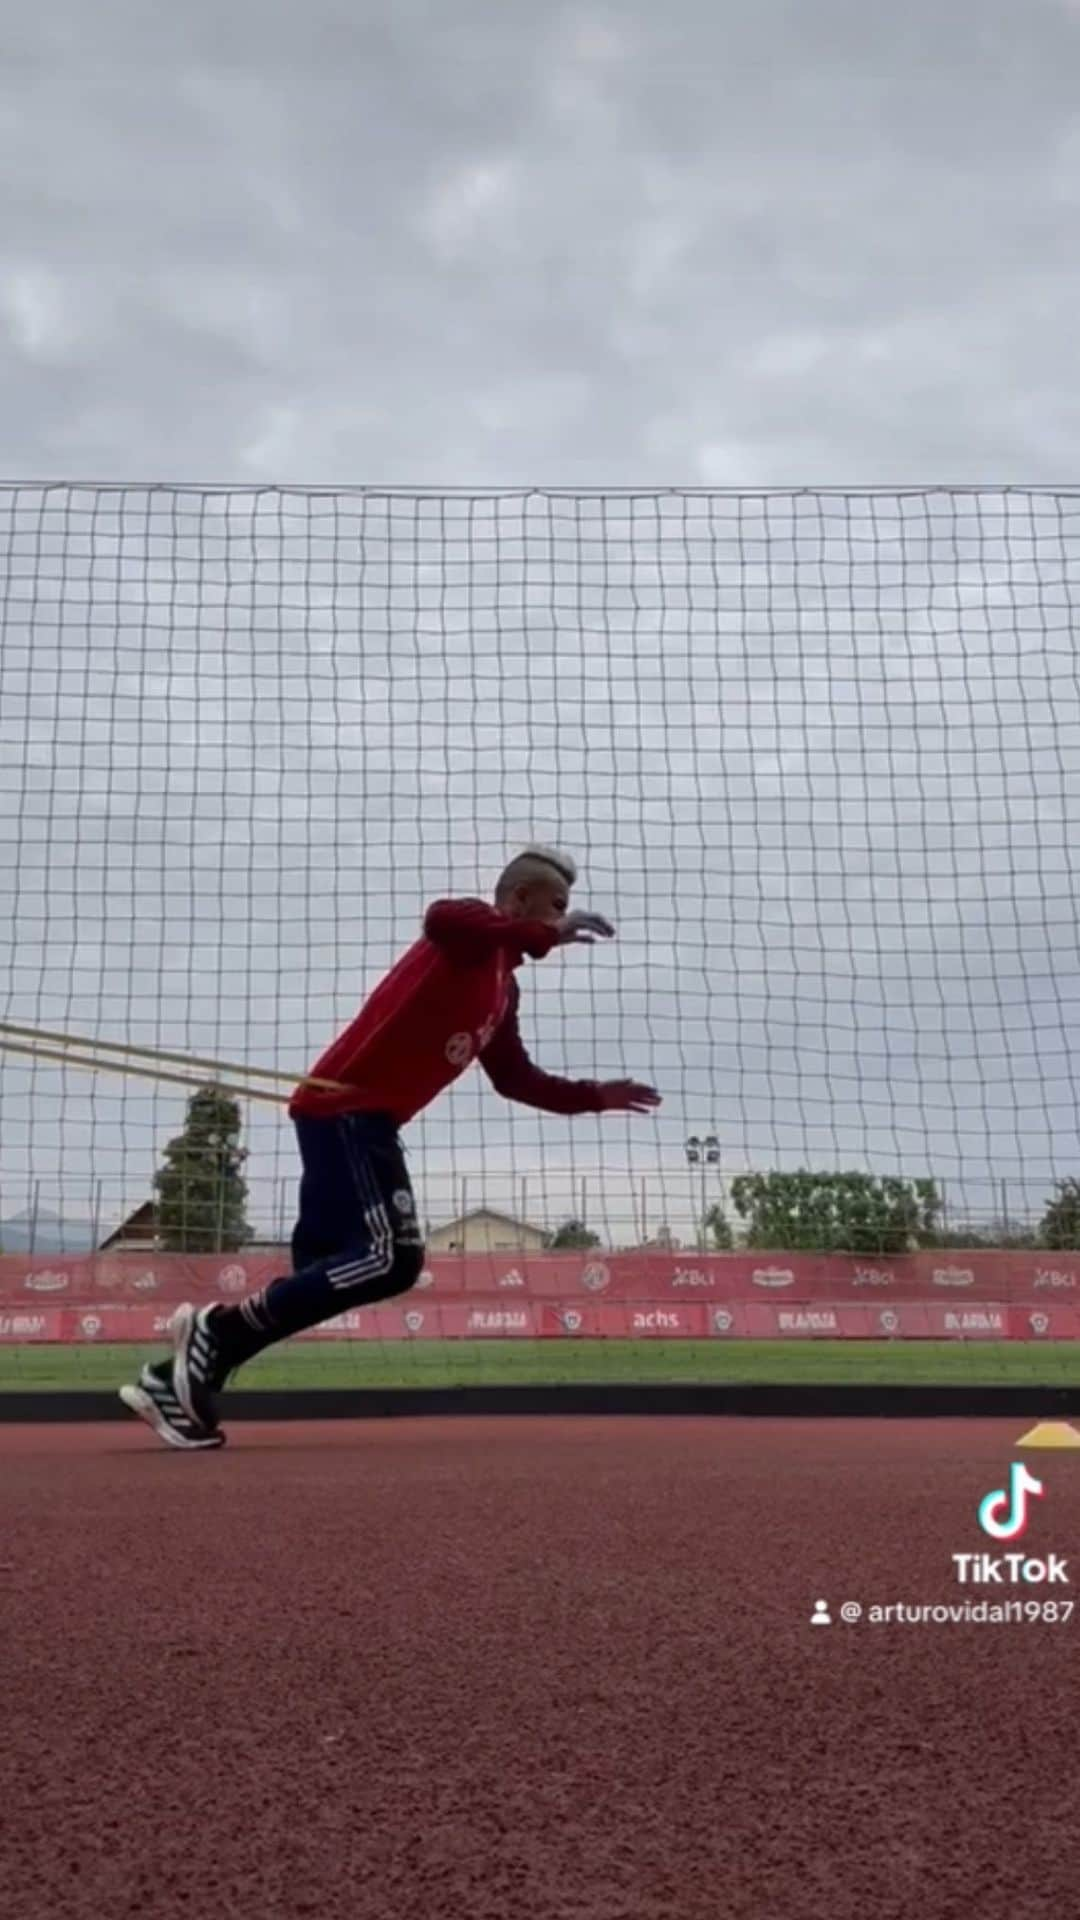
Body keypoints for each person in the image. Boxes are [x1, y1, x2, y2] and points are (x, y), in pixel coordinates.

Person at [120, 845, 661, 1448]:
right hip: (348, 1113)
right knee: (392, 1259)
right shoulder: (465, 935)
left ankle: (179, 1380)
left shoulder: (503, 991)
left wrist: (595, 1096)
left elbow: (515, 1080)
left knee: (331, 1273)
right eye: (554, 906)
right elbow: (442, 918)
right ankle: (214, 1330)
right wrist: (545, 935)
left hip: (357, 1123)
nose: (563, 918)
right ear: (519, 900)